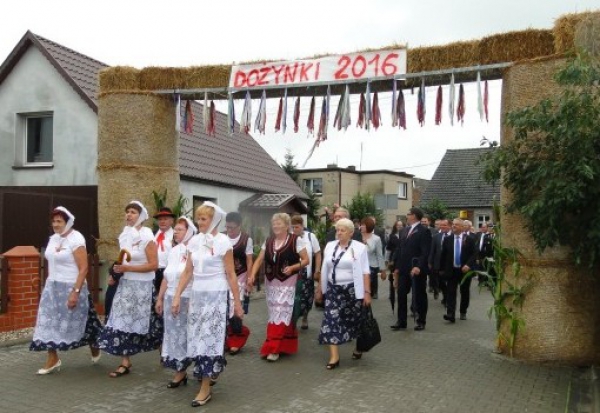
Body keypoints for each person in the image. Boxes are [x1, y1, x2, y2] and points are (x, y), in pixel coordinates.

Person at [171, 202, 243, 407]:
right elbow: (187, 272)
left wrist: (237, 303)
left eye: (203, 219)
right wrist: (177, 296)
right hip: (197, 296)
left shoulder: (223, 242)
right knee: (197, 337)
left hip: (216, 295)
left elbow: (231, 274)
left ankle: (205, 388)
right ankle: (210, 373)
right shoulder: (194, 242)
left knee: (209, 338)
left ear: (214, 220)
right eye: (198, 218)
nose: (199, 222)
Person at [30, 207, 103, 374]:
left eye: (59, 221)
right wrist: (49, 284)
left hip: (72, 285)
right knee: (47, 321)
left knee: (85, 320)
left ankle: (94, 342)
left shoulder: (76, 238)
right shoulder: (53, 239)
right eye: (54, 221)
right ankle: (52, 357)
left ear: (67, 222)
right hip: (53, 286)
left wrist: (75, 291)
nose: (55, 224)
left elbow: (84, 268)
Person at [98, 200, 163, 378]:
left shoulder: (147, 236)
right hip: (126, 285)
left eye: (133, 212)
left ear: (141, 216)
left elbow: (153, 265)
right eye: (127, 212)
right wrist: (115, 273)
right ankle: (125, 361)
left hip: (143, 286)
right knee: (121, 320)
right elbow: (123, 260)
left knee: (151, 324)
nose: (129, 215)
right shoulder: (125, 234)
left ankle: (163, 352)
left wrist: (129, 269)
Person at [249, 213, 309, 362]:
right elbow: (259, 260)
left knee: (281, 311)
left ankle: (273, 348)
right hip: (271, 282)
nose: (275, 226)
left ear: (287, 226)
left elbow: (306, 260)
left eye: (279, 223)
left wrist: (293, 267)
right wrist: (252, 275)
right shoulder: (269, 241)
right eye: (274, 223)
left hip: (288, 281)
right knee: (275, 313)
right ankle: (286, 344)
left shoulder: (296, 240)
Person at [317, 218, 371, 369]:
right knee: (330, 321)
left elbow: (366, 271)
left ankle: (359, 347)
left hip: (352, 290)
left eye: (342, 230)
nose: (339, 233)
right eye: (337, 230)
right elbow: (324, 268)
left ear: (351, 233)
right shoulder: (329, 246)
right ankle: (334, 357)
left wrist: (367, 292)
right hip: (333, 290)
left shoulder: (360, 248)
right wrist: (320, 288)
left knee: (354, 321)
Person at [155, 216, 197, 388]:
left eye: (180, 229)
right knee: (173, 335)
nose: (176, 232)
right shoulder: (174, 251)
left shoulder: (194, 250)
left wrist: (179, 297)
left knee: (186, 335)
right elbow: (166, 276)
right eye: (176, 229)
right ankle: (180, 371)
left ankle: (191, 369)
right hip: (170, 298)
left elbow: (190, 276)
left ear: (189, 232)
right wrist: (160, 297)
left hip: (187, 298)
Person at [391, 207, 432, 331]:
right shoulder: (404, 230)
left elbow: (425, 252)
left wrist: (418, 266)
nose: (407, 216)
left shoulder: (424, 231)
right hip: (403, 269)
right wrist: (396, 267)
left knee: (419, 295)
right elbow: (400, 249)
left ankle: (421, 321)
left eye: (408, 214)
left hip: (416, 269)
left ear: (414, 216)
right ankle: (401, 321)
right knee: (401, 294)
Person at [224, 211, 253, 355]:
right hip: (223, 277)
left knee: (236, 308)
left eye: (232, 228)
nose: (229, 230)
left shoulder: (246, 239)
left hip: (240, 276)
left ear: (239, 226)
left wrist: (250, 277)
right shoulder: (221, 238)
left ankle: (236, 339)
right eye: (227, 227)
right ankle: (225, 339)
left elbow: (249, 260)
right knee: (224, 308)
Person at [440, 218, 477, 322]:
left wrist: (468, 265)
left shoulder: (469, 239)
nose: (454, 226)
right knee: (451, 292)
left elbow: (474, 254)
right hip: (452, 270)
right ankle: (450, 314)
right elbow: (443, 255)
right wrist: (441, 269)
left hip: (464, 270)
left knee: (464, 291)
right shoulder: (448, 239)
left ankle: (463, 311)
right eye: (453, 225)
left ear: (462, 227)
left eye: (456, 225)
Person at [290, 215, 322, 330]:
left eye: (297, 227)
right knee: (294, 298)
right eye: (292, 227)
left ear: (302, 226)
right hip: (294, 273)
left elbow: (318, 253)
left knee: (307, 298)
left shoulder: (310, 237)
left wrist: (317, 270)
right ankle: (293, 320)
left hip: (307, 273)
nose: (294, 230)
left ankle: (305, 317)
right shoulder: (290, 238)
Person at [360, 217, 386, 299]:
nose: (362, 226)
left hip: (372, 265)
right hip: (359, 264)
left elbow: (379, 255)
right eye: (361, 225)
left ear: (369, 226)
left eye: (364, 225)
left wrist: (383, 270)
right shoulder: (357, 236)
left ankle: (371, 294)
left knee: (368, 285)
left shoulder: (376, 239)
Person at [153, 207, 175, 296]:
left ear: (172, 221)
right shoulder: (152, 234)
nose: (162, 221)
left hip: (167, 272)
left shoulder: (175, 235)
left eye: (165, 219)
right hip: (153, 272)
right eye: (160, 219)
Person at [428, 218, 451, 302]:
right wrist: (430, 261)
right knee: (440, 281)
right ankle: (438, 290)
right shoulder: (436, 236)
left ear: (449, 226)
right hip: (437, 263)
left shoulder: (452, 236)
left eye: (444, 225)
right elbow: (432, 250)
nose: (442, 227)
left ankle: (446, 298)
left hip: (449, 264)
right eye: (441, 225)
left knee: (448, 282)